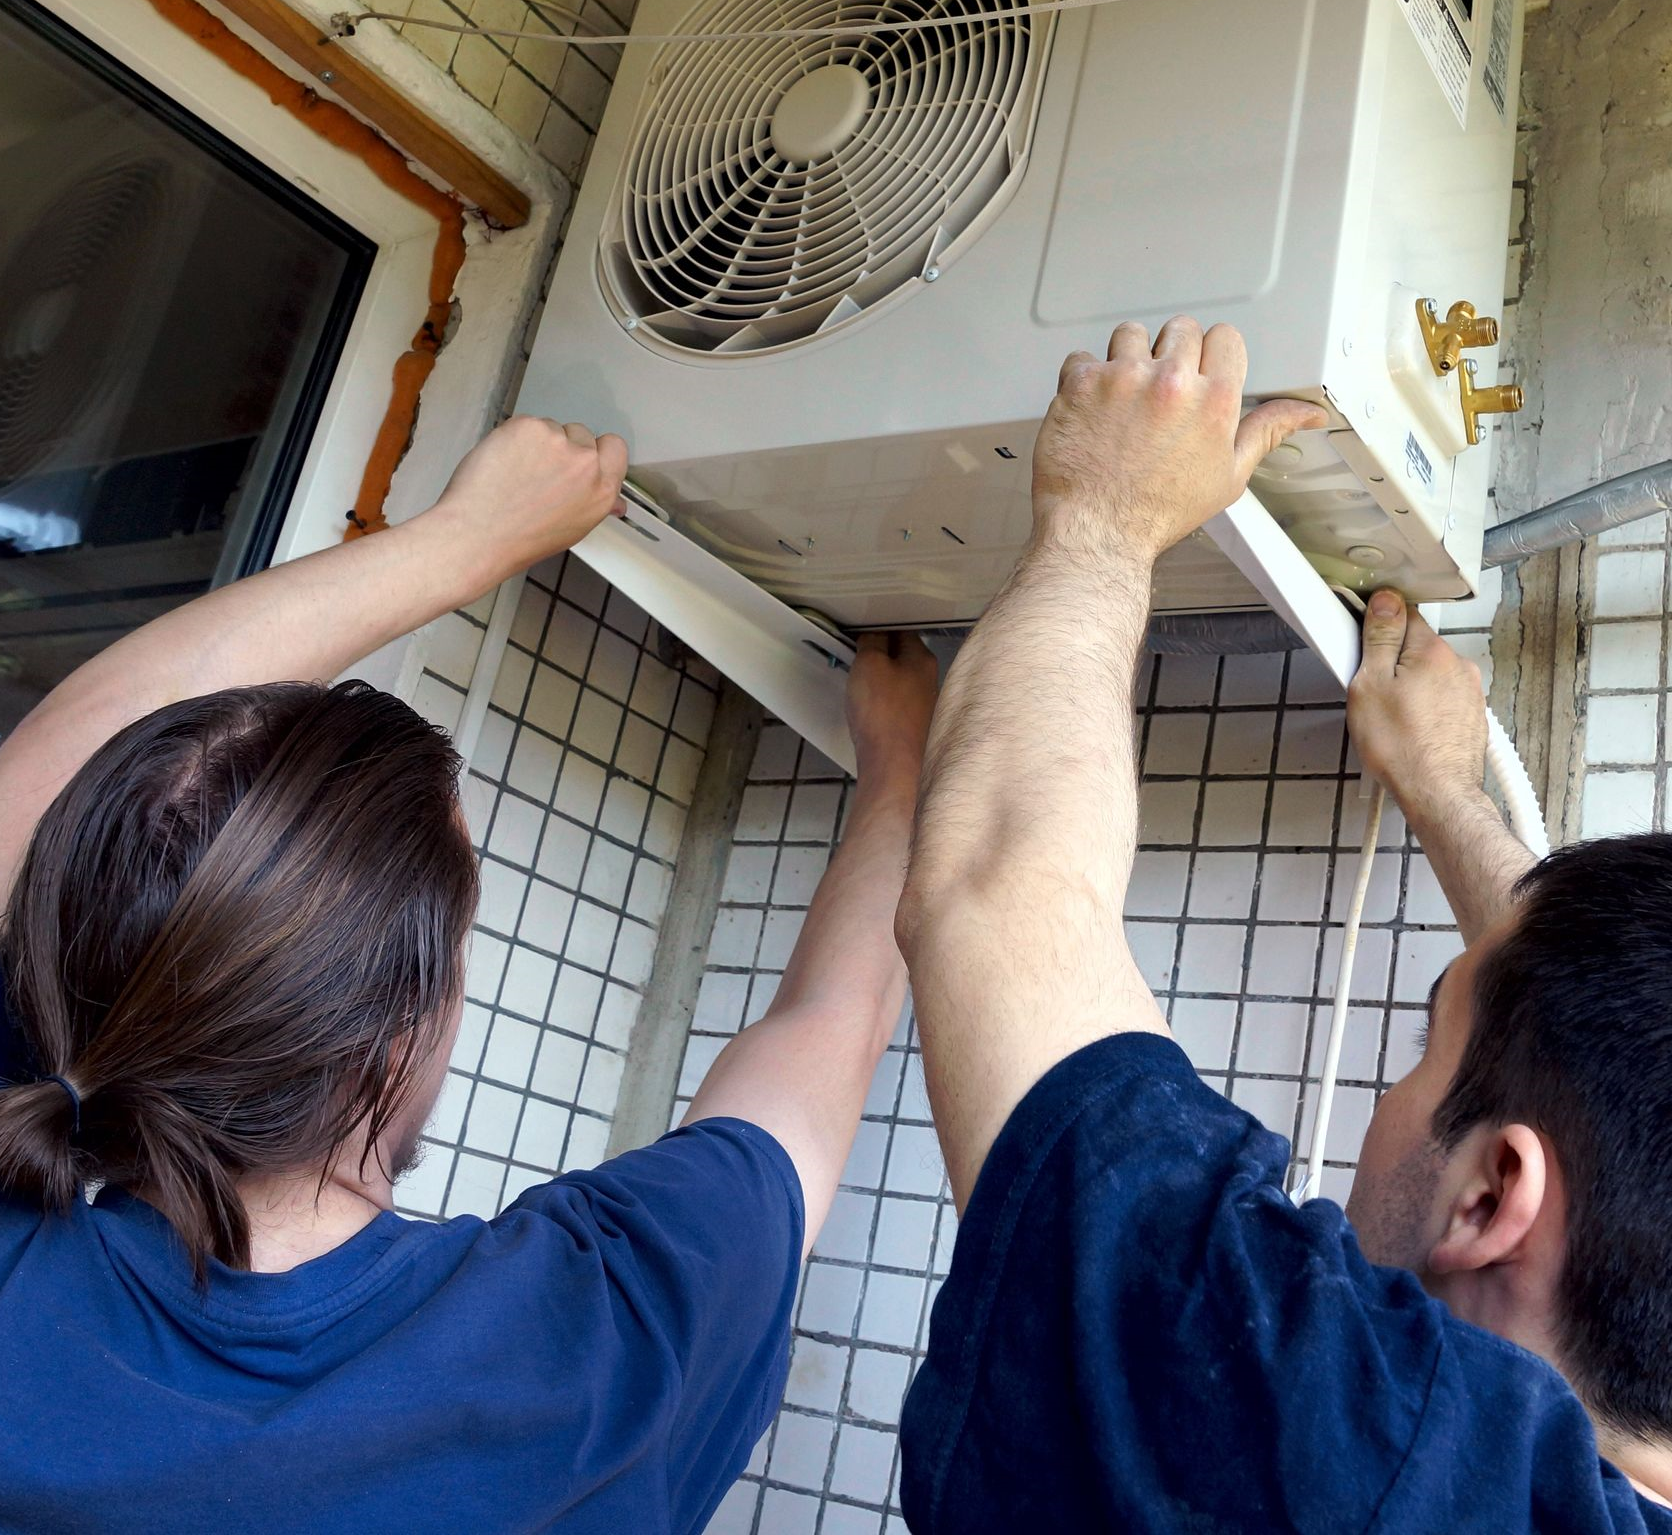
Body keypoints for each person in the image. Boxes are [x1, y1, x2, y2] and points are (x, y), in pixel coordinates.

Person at [0, 415, 939, 1533]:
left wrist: (462, 539)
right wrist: (900, 769)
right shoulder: (588, 1347)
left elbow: (52, 782)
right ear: (399, 1032)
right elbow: (826, 1031)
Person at [894, 316, 1672, 1532]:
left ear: (1488, 1200)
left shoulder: (1350, 1456)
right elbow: (1605, 1031)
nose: (1400, 1087)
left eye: (1425, 1054)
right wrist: (1445, 793)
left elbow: (995, 897)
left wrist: (1099, 517)